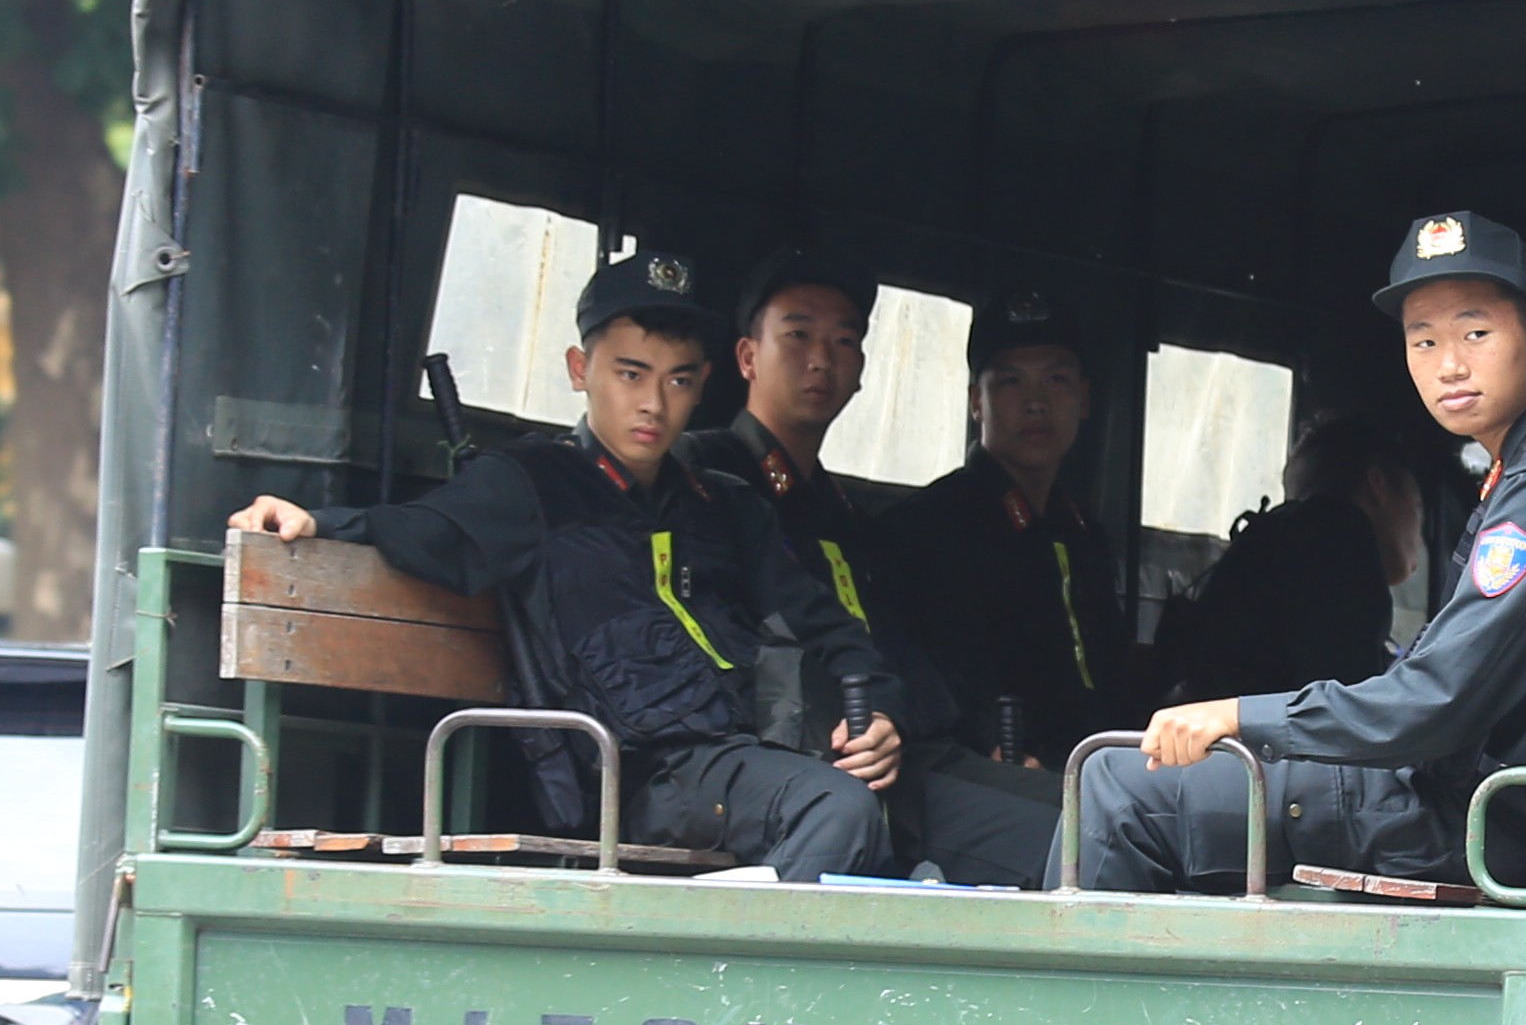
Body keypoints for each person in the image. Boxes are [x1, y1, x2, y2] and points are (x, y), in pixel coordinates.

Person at [223, 252, 1034, 885]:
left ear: (705, 384)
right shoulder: (533, 483)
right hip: (636, 774)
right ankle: (731, 1013)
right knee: (841, 808)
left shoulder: (724, 504)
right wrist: (314, 521)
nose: (654, 405)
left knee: (899, 812)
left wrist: (881, 712)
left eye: (679, 381)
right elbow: (425, 529)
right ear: (582, 372)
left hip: (743, 758)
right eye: (630, 374)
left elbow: (832, 627)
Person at [1078, 210, 1526, 894]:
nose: (1449, 365)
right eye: (1423, 342)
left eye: (1476, 333)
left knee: (1115, 788)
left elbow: (1434, 701)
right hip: (1467, 799)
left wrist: (1233, 714)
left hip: (1468, 819)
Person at [678, 252, 1047, 873]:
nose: (822, 358)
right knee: (1060, 843)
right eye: (797, 335)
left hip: (902, 751)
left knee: (1087, 816)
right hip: (794, 768)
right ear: (747, 357)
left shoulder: (842, 510)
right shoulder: (703, 477)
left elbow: (900, 651)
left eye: (844, 341)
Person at [906, 292, 1137, 756]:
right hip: (1001, 774)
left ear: (1085, 399)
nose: (1036, 403)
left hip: (1104, 770)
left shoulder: (1082, 534)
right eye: (1011, 382)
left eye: (1056, 379)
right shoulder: (932, 525)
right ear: (976, 402)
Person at [1153, 405, 1424, 708]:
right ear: (1377, 485)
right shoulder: (1337, 537)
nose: (1420, 534)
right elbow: (1342, 703)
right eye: (1416, 504)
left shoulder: (1273, 539)